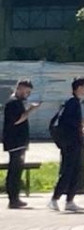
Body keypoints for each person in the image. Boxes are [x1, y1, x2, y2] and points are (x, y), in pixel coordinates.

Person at [50, 77, 84, 212]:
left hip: (75, 142)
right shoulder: (72, 103)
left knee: (76, 171)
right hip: (70, 143)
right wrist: (83, 123)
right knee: (68, 171)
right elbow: (68, 122)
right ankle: (54, 198)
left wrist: (82, 125)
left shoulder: (75, 102)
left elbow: (72, 123)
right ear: (79, 88)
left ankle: (70, 201)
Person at [3, 79, 39, 209]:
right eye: (26, 91)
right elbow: (17, 120)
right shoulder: (13, 103)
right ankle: (13, 198)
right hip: (15, 141)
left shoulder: (17, 102)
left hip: (19, 141)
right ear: (19, 88)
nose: (27, 94)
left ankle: (15, 197)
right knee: (14, 170)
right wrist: (30, 110)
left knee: (17, 170)